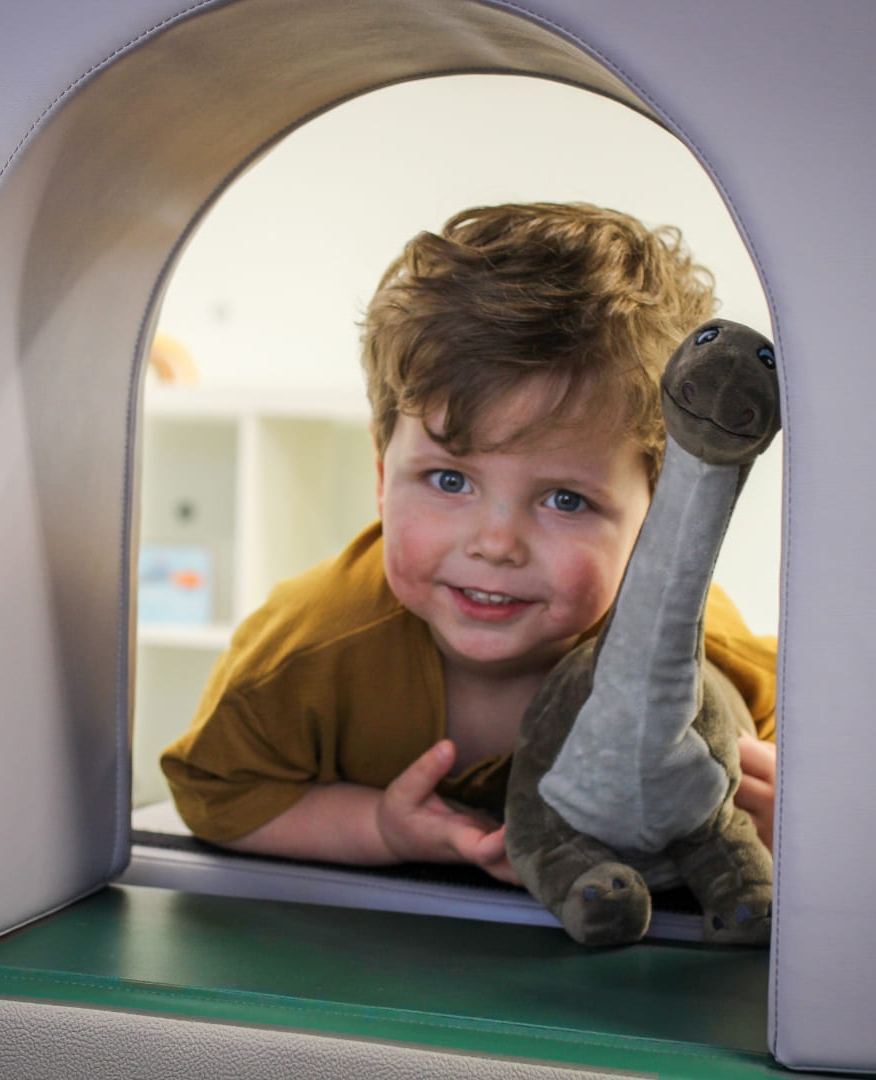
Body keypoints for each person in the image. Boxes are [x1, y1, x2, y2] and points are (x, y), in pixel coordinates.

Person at [161, 202, 777, 885]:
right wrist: (380, 829)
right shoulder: (309, 648)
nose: (496, 543)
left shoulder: (692, 643)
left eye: (565, 499)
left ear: (656, 524)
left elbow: (802, 765)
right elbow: (219, 795)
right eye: (449, 478)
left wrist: (786, 822)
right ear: (381, 476)